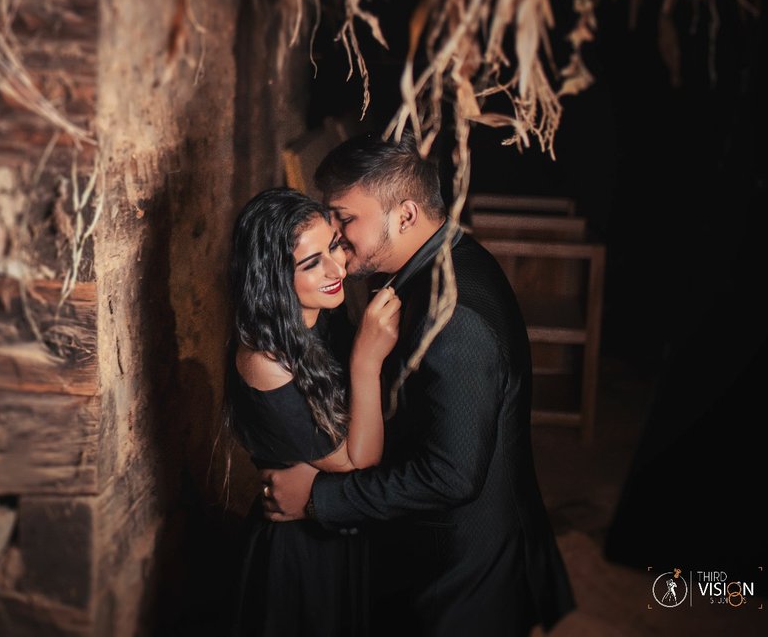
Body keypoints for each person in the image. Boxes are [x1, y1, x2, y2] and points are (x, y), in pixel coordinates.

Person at [259, 135, 576, 636]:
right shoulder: (440, 261)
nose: (336, 238)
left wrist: (319, 496)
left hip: (461, 578)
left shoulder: (454, 316)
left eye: (345, 219)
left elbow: (452, 475)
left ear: (405, 216)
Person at [223, 187, 402, 637]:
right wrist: (368, 361)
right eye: (310, 263)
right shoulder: (264, 359)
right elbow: (357, 459)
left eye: (333, 247)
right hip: (298, 550)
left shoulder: (319, 314)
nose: (336, 267)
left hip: (334, 524)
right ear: (273, 277)